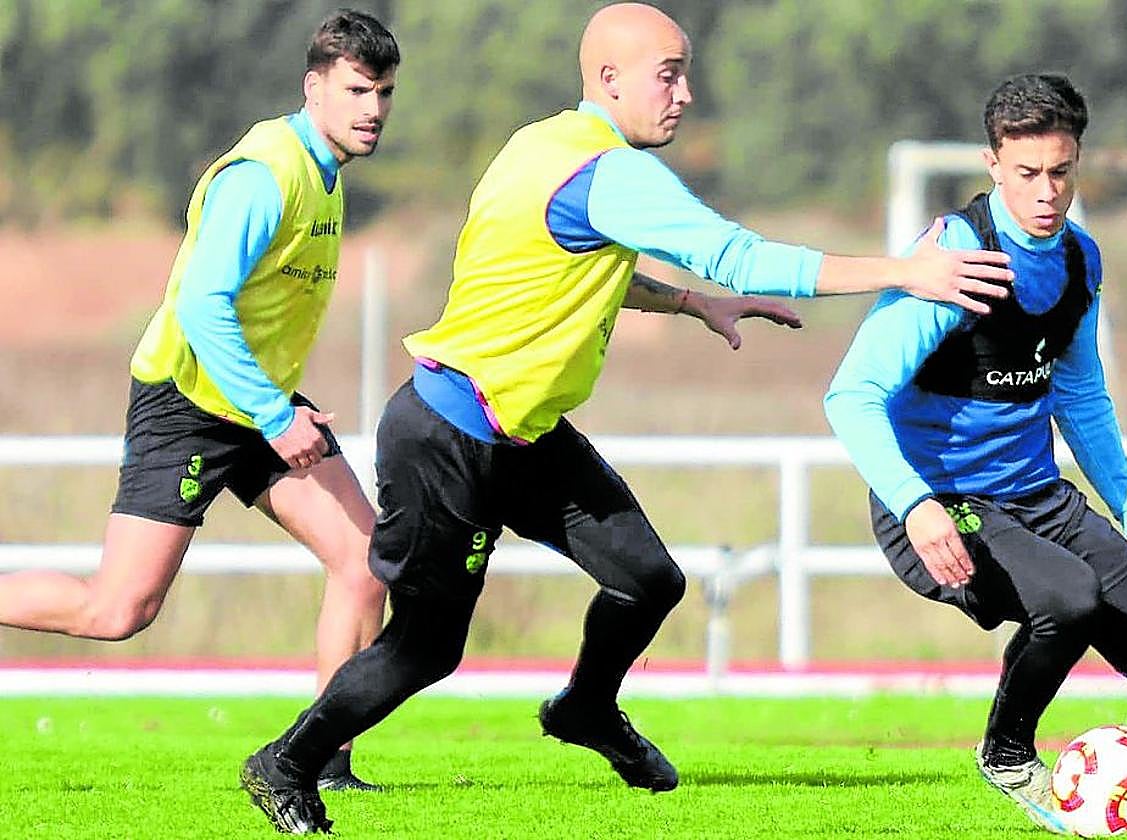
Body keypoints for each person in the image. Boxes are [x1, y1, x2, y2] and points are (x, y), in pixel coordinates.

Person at [239, 3, 1018, 833]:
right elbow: (742, 253)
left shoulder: (540, 144)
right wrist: (908, 269)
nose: (685, 94)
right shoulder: (609, 172)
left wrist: (688, 303)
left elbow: (575, 261)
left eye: (685, 73)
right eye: (669, 75)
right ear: (608, 80)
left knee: (650, 579)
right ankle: (284, 764)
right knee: (429, 647)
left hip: (527, 433)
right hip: (448, 436)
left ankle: (586, 709)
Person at [0, 9, 401, 792]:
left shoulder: (326, 172)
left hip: (255, 400)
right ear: (313, 88)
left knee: (363, 562)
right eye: (357, 89)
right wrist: (277, 415)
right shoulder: (265, 175)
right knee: (117, 611)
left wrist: (272, 408)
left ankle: (315, 764)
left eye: (384, 92)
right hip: (189, 401)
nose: (373, 109)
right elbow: (202, 307)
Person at [825, 73, 1127, 834]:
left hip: (1037, 496)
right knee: (1068, 598)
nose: (1046, 192)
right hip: (940, 505)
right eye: (1027, 173)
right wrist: (916, 505)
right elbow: (850, 396)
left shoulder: (1078, 262)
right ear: (994, 163)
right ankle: (1005, 750)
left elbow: (1082, 395)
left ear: (1076, 162)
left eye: (1060, 171)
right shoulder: (952, 262)